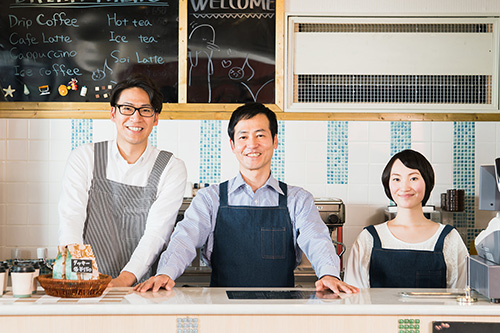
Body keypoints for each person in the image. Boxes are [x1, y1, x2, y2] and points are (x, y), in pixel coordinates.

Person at [135, 102, 359, 294]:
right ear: (233, 145)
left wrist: (330, 274)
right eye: (243, 136)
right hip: (223, 310)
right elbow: (184, 239)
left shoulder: (298, 199)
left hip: (280, 312)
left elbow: (316, 239)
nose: (252, 144)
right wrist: (165, 273)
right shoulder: (210, 199)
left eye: (260, 135)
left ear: (275, 141)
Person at [58, 74, 187, 287]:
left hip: (139, 287)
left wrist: (124, 280)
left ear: (155, 118)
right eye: (127, 108)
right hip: (84, 280)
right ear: (113, 114)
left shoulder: (172, 167)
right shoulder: (84, 157)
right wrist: (84, 276)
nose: (136, 118)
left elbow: (157, 233)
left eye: (145, 110)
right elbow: (71, 218)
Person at [345, 149, 468, 289]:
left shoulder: (449, 238)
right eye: (396, 179)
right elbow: (354, 299)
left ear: (427, 182)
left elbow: (462, 295)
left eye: (414, 178)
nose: (404, 187)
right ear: (388, 185)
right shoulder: (368, 239)